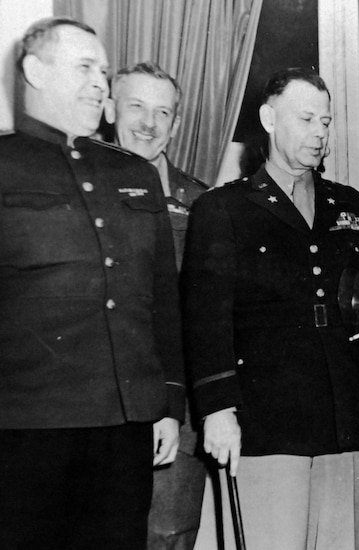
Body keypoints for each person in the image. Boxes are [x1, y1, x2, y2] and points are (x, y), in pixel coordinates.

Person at [181, 67, 359, 550]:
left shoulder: (354, 208)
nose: (320, 132)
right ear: (269, 119)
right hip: (266, 422)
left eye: (326, 120)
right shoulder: (224, 209)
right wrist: (217, 410)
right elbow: (205, 318)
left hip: (342, 417)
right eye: (306, 119)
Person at [0, 17, 184, 549]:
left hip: (125, 431)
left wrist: (168, 407)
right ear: (35, 70)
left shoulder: (134, 173)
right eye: (85, 68)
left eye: (104, 71)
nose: (101, 83)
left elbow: (161, 304)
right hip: (24, 430)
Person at [106, 61, 209, 550]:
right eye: (137, 107)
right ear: (110, 109)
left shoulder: (200, 203)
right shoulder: (83, 194)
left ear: (177, 123)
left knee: (168, 534)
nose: (149, 123)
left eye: (162, 111)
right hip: (98, 401)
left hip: (177, 403)